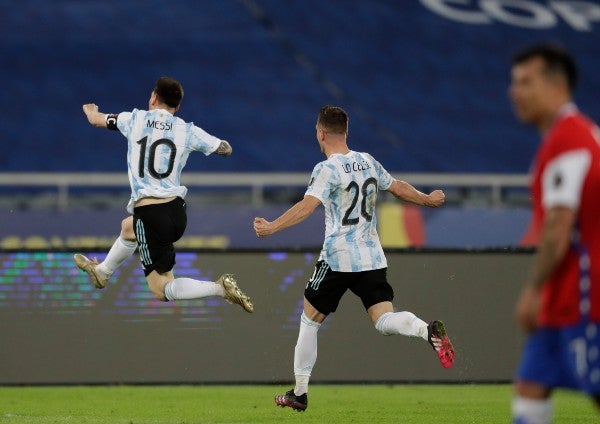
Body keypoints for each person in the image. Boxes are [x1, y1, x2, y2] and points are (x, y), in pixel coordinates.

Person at [253, 105, 455, 412]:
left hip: (337, 258)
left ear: (320, 133)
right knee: (384, 319)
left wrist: (272, 227)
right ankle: (426, 330)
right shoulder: (367, 161)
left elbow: (307, 207)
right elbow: (397, 187)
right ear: (346, 132)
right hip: (372, 257)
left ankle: (300, 392)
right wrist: (427, 199)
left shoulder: (326, 169)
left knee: (310, 319)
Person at [74, 76, 253, 313]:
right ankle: (102, 273)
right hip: (176, 213)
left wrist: (90, 111)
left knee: (160, 289)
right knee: (129, 228)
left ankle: (220, 288)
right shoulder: (187, 130)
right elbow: (225, 148)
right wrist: (217, 146)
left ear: (153, 97)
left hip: (150, 213)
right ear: (177, 107)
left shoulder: (134, 119)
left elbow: (96, 120)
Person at [510, 44, 600, 423]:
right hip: (561, 299)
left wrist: (533, 288)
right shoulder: (574, 137)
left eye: (526, 82)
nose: (515, 92)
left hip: (585, 298)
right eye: (513, 83)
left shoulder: (569, 140)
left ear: (556, 86)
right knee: (530, 386)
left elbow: (559, 226)